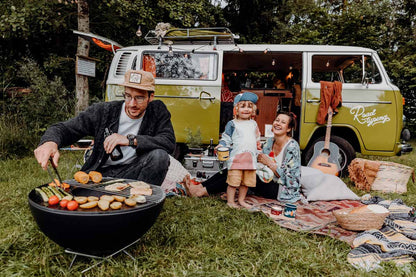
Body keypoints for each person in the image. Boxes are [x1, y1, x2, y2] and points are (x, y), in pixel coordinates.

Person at [34, 69, 175, 186]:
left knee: (159, 157)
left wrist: (130, 140)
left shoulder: (157, 111)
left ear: (151, 97)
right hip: (100, 174)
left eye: (139, 98)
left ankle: (142, 203)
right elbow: (66, 129)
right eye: (128, 96)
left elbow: (168, 142)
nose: (132, 103)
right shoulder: (104, 111)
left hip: (133, 173)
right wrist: (50, 142)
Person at [184, 111, 301, 203]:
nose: (278, 123)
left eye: (283, 122)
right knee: (234, 167)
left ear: (289, 128)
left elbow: (292, 182)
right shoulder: (270, 142)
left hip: (281, 190)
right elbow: (257, 161)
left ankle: (201, 192)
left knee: (243, 171)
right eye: (277, 120)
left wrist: (270, 164)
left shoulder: (292, 147)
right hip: (265, 178)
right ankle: (199, 186)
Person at [218, 92, 261, 209]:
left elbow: (257, 137)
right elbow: (226, 138)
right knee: (233, 181)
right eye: (243, 106)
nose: (246, 109)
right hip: (236, 158)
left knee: (246, 182)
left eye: (249, 106)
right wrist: (221, 145)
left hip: (250, 159)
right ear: (236, 109)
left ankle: (241, 200)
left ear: (253, 110)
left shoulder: (253, 124)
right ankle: (230, 201)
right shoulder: (232, 124)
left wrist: (258, 145)